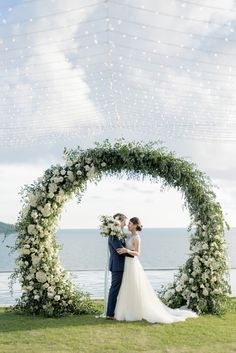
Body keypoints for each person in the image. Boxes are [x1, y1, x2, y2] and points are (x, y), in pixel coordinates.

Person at [114, 217, 198, 323]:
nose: (128, 225)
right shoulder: (129, 235)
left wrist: (127, 250)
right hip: (126, 264)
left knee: (134, 286)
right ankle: (125, 310)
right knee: (126, 286)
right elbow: (118, 234)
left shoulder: (136, 238)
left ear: (135, 225)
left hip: (132, 264)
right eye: (128, 223)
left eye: (130, 223)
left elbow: (137, 253)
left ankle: (134, 312)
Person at [106, 213, 133, 320]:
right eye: (124, 221)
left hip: (121, 265)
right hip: (117, 266)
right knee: (114, 289)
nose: (126, 223)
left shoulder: (119, 233)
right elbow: (119, 250)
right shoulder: (114, 235)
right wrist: (133, 254)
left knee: (120, 289)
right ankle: (110, 314)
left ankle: (119, 310)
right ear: (119, 221)